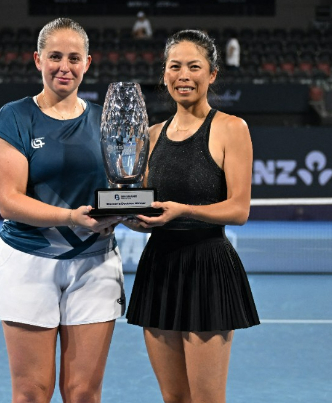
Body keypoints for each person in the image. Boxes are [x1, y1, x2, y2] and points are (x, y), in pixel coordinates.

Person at [0, 17, 124, 403]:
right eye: (55, 56)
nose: (65, 66)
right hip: (28, 261)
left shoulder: (106, 120)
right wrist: (70, 217)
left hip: (95, 263)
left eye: (74, 58)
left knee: (83, 392)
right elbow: (9, 201)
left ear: (87, 63)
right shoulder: (13, 118)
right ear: (38, 60)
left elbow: (119, 190)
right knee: (32, 392)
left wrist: (129, 211)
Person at [123, 29, 259, 403]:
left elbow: (239, 209)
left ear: (212, 74)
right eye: (175, 66)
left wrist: (184, 211)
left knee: (207, 399)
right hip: (159, 268)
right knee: (174, 398)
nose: (184, 75)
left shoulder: (232, 128)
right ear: (164, 73)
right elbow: (146, 207)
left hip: (208, 269)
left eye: (194, 66)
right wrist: (128, 217)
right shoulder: (151, 135)